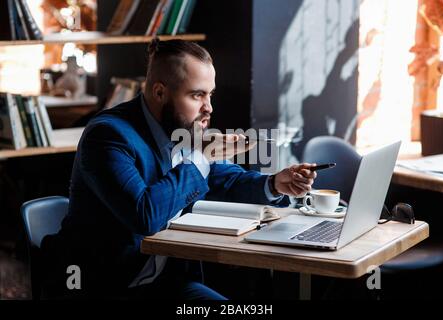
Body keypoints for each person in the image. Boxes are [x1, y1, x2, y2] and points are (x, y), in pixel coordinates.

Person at [40, 39, 316, 300]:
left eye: (210, 95)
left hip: (165, 285)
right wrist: (201, 158)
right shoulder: (108, 136)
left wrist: (274, 184)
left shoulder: (181, 127)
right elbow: (145, 215)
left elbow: (223, 180)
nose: (209, 107)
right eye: (197, 95)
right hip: (102, 287)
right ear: (160, 92)